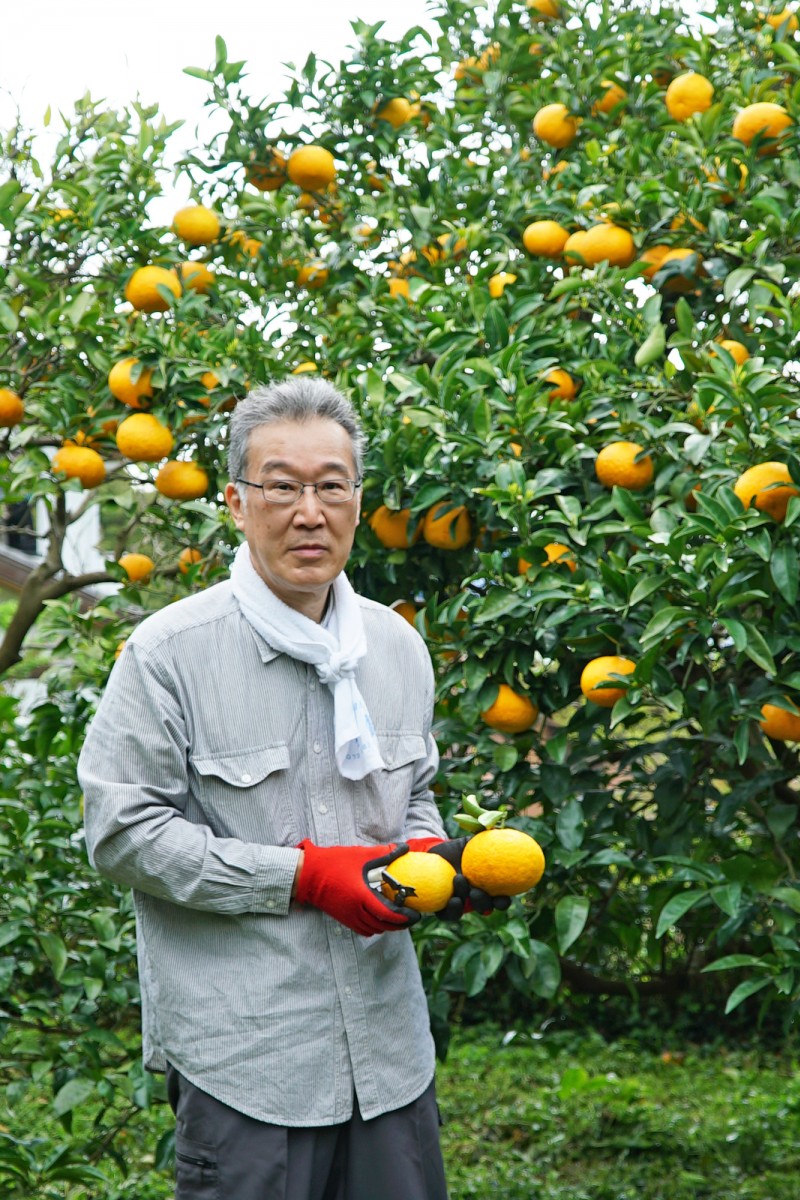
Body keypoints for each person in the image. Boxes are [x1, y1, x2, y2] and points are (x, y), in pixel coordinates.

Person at [79, 377, 495, 1199]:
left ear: (357, 498)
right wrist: (301, 877)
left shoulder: (397, 647)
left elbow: (412, 797)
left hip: (389, 1059)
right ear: (235, 501)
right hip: (249, 1064)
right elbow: (121, 832)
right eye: (282, 485)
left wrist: (435, 865)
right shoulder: (170, 653)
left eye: (331, 485)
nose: (311, 511)